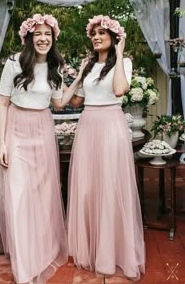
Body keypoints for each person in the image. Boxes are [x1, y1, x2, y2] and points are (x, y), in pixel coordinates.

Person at [0, 14, 85, 284]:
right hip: (17, 131)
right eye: (38, 34)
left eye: (48, 33)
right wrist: (2, 142)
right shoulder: (14, 63)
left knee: (43, 196)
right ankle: (24, 269)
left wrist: (79, 76)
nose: (43, 38)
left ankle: (42, 250)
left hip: (43, 131)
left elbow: (59, 104)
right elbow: (2, 104)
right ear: (29, 38)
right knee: (18, 195)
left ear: (53, 37)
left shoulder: (56, 67)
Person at [67, 15, 145, 282]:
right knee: (89, 187)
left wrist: (121, 53)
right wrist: (77, 76)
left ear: (113, 37)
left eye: (102, 32)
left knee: (111, 186)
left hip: (112, 124)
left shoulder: (123, 62)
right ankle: (91, 247)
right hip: (88, 125)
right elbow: (76, 102)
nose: (96, 36)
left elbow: (121, 90)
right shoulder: (88, 65)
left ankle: (112, 252)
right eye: (94, 33)